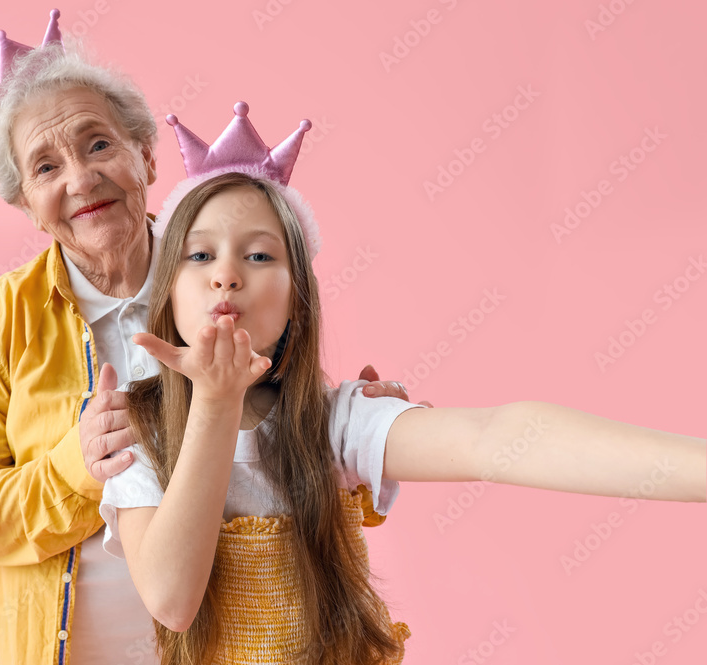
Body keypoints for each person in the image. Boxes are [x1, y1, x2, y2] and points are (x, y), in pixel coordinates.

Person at [97, 103, 707, 664]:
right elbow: (172, 600)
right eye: (199, 256)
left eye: (259, 256)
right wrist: (214, 402)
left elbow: (497, 438)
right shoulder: (133, 430)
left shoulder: (334, 420)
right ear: (167, 291)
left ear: (297, 305)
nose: (226, 274)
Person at [0, 11, 426, 665]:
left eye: (98, 144)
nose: (79, 179)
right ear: (23, 201)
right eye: (45, 167)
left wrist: (369, 437)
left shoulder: (220, 274)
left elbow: (291, 431)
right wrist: (75, 467)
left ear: (145, 153)